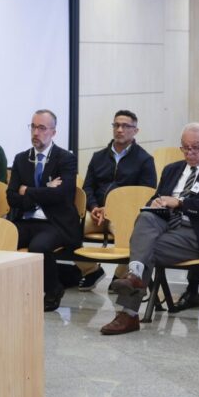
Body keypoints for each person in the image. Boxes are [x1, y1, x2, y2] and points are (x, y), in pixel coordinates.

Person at [99, 123, 199, 335]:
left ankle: (129, 312)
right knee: (146, 216)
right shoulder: (172, 169)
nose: (189, 153)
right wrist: (155, 203)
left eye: (195, 147)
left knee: (144, 249)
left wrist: (180, 203)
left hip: (197, 233)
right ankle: (135, 276)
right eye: (185, 147)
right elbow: (156, 198)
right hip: (165, 225)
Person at [7, 110, 81, 312]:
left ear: (53, 132)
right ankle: (10, 289)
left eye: (41, 128)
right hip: (26, 219)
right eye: (33, 127)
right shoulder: (21, 159)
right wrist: (46, 189)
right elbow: (11, 197)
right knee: (2, 240)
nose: (36, 132)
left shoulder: (65, 159)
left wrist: (28, 190)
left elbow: (63, 195)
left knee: (38, 246)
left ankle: (53, 289)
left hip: (55, 222)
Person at [78, 110, 157, 291]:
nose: (120, 130)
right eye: (116, 125)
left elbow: (145, 194)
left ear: (135, 131)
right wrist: (94, 207)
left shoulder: (145, 160)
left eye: (125, 126)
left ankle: (120, 276)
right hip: (96, 213)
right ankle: (91, 270)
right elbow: (87, 187)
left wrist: (114, 210)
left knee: (135, 235)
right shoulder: (98, 157)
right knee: (67, 228)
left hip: (124, 216)